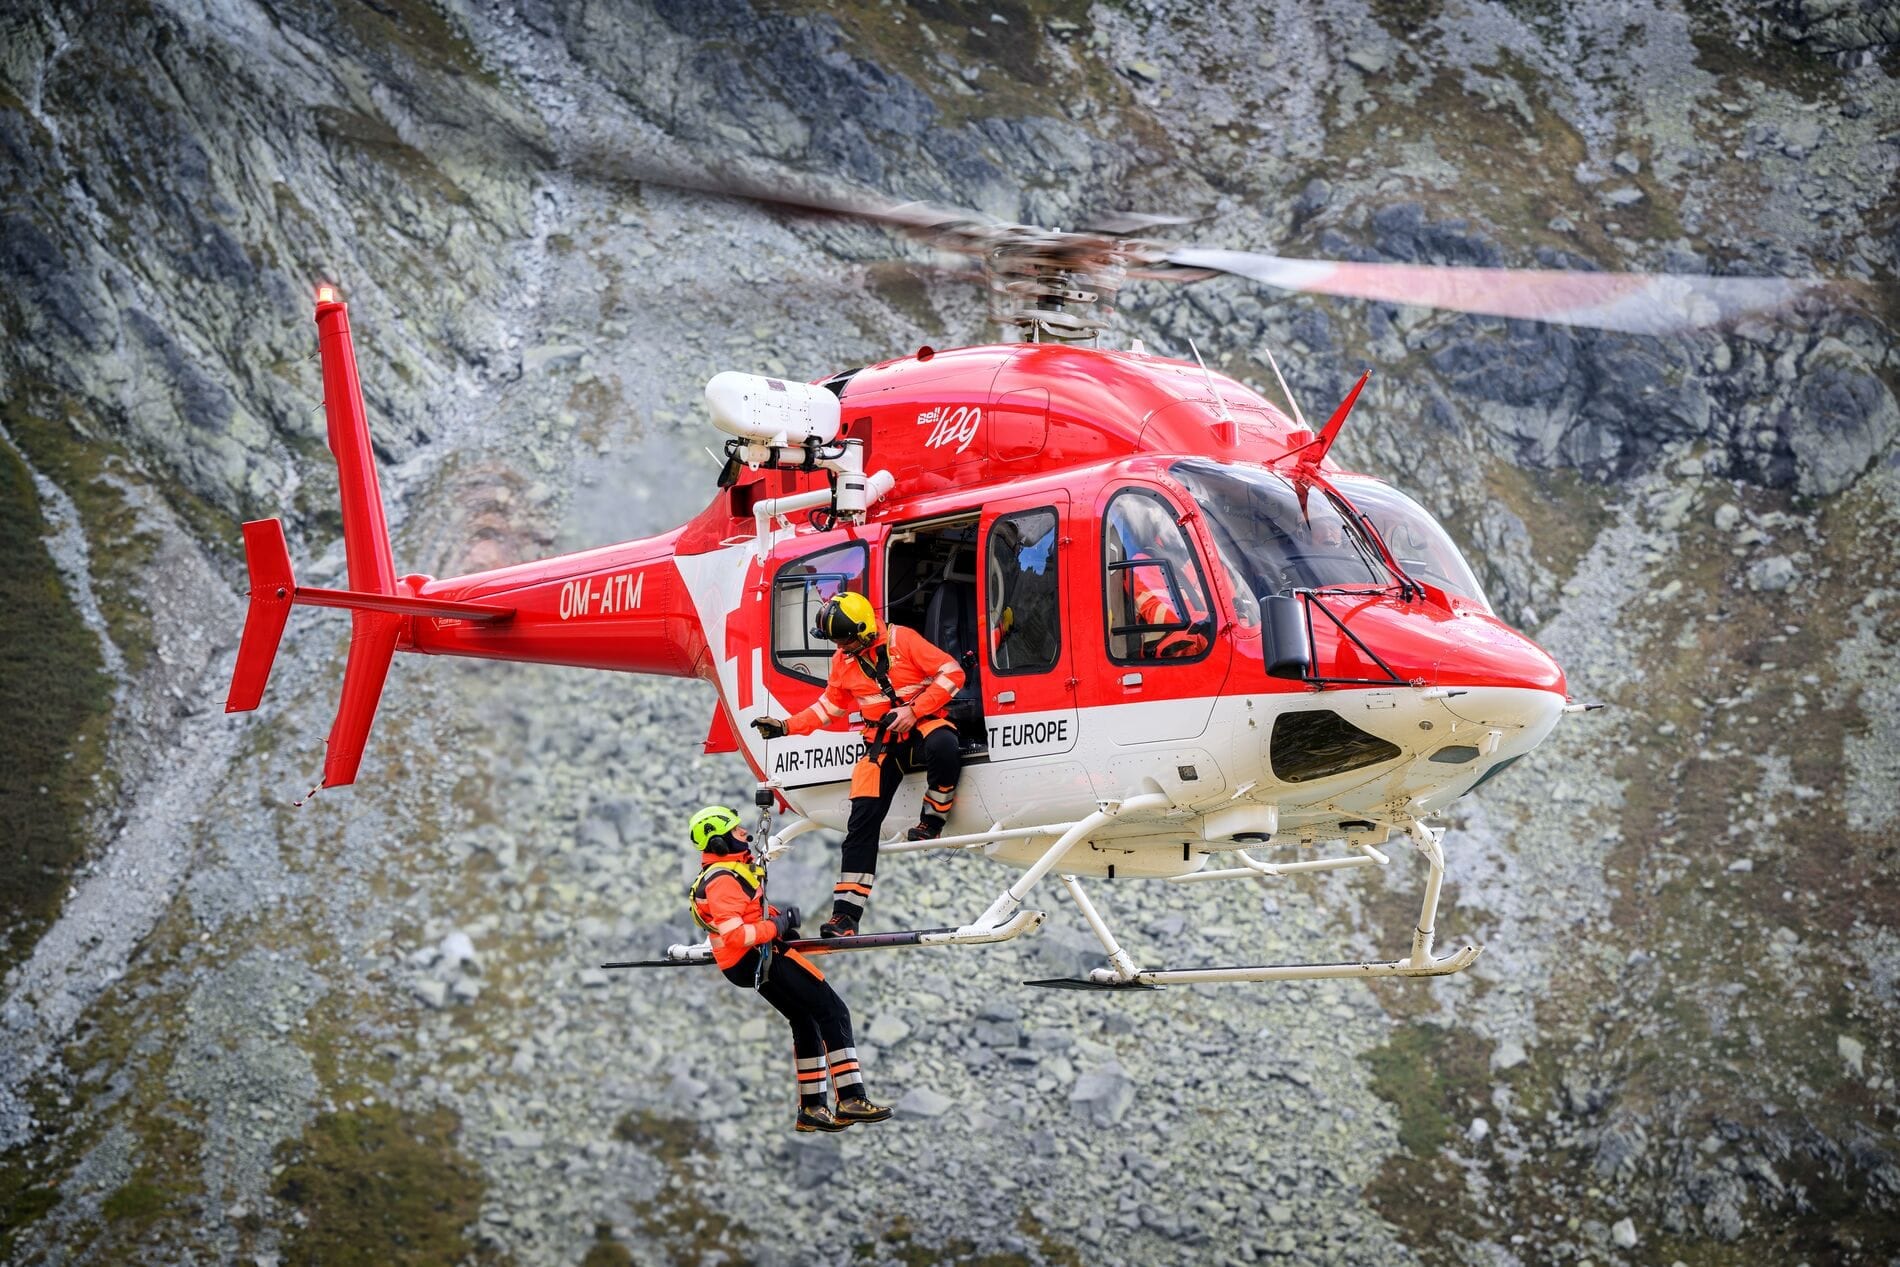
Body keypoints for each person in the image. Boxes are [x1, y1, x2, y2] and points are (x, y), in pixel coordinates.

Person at [750, 591, 964, 938]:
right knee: (860, 824)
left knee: (944, 746)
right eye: (835, 640)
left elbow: (952, 674)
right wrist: (785, 727)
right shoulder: (843, 661)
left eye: (844, 639)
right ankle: (845, 917)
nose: (840, 646)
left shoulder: (903, 640)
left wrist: (914, 710)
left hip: (924, 723)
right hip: (882, 744)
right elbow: (827, 709)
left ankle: (933, 819)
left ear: (864, 631)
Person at [686, 805, 892, 1133]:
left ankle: (812, 1108)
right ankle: (851, 1097)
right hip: (757, 956)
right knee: (834, 1011)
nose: (746, 835)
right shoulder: (722, 878)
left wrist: (778, 922)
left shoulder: (727, 872)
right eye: (737, 832)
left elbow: (747, 913)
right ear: (720, 843)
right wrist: (778, 926)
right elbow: (737, 934)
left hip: (746, 962)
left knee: (805, 1018)